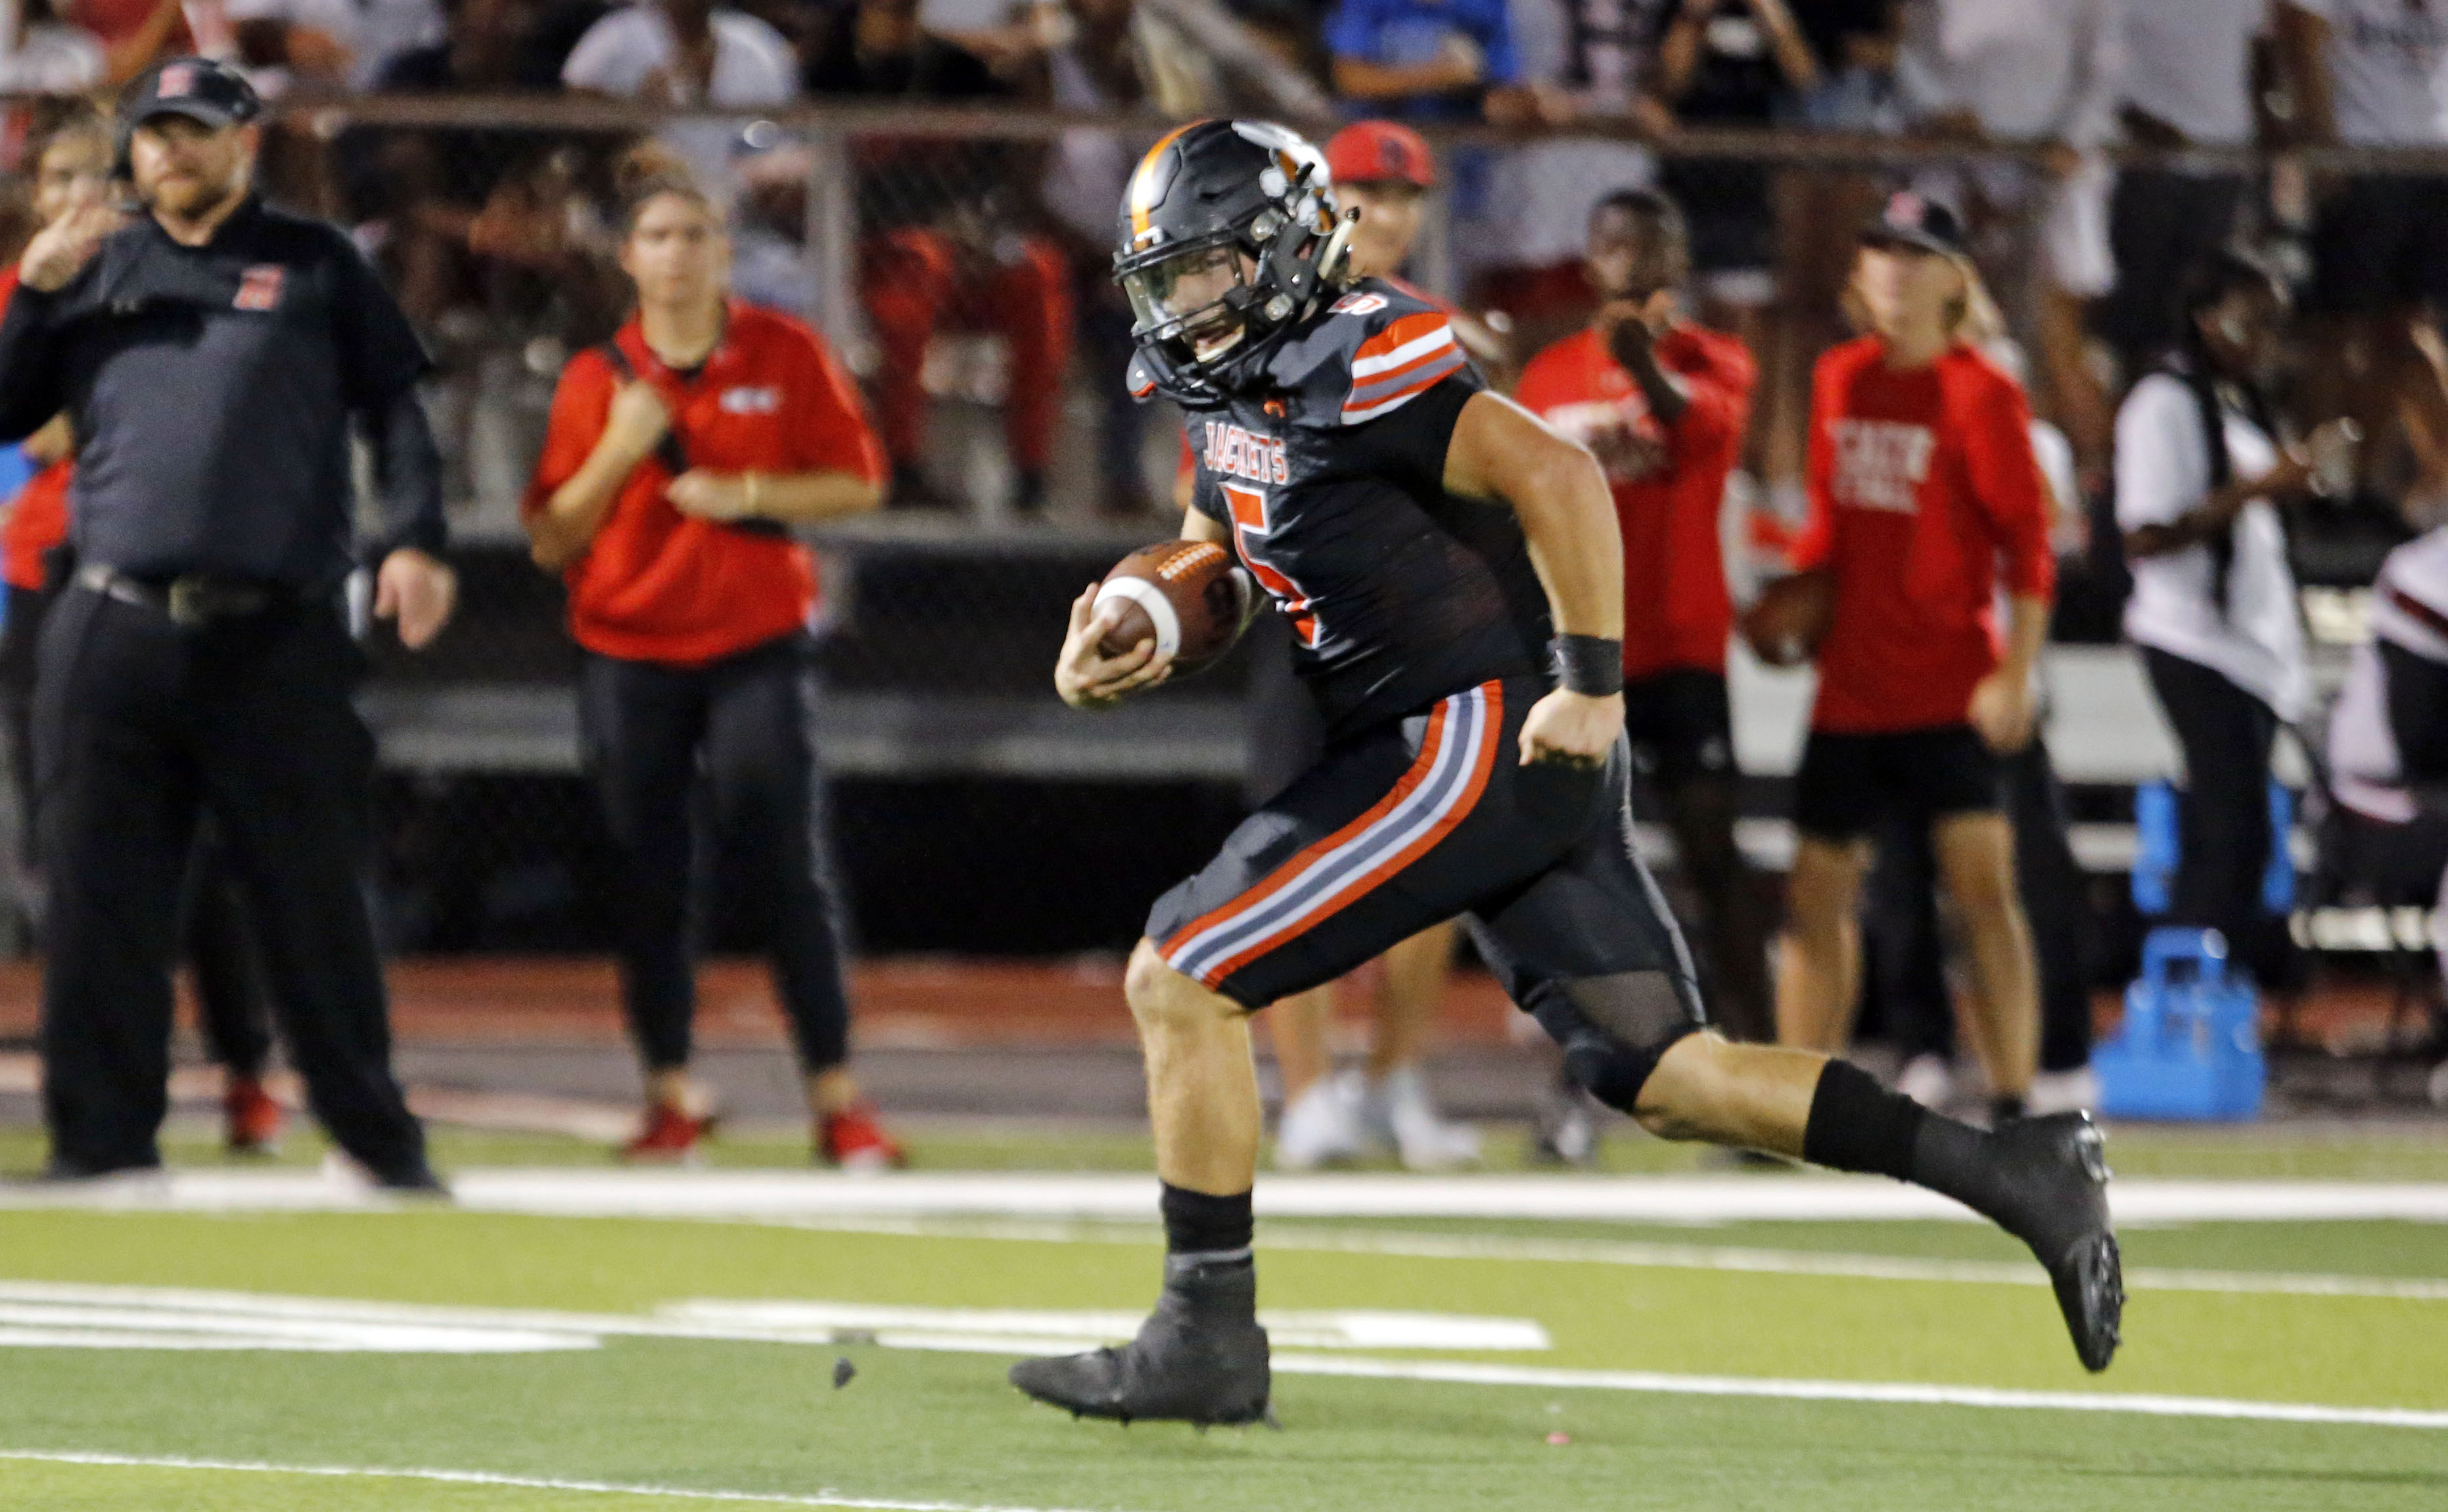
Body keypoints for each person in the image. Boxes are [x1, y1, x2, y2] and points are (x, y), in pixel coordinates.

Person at [1009, 120, 2121, 1429]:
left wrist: (1592, 682)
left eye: (1202, 270)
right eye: (1168, 278)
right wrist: (1138, 626)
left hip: (1469, 729)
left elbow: (1562, 473)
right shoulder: (1232, 374)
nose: (1182, 303)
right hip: (1463, 740)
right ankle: (2022, 1172)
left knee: (1178, 973)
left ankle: (1203, 1330)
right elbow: (1221, 557)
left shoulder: (1360, 349)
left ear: (1275, 250)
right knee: (1674, 1079)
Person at [0, 57, 455, 1187]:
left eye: (196, 133)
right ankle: (103, 1145)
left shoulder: (314, 263)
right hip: (113, 621)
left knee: (313, 901)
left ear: (243, 143)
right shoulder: (92, 264)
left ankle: (373, 1143)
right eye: (155, 134)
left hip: (275, 632)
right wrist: (36, 292)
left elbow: (397, 410)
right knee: (101, 900)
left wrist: (417, 537)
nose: (172, 153)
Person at [523, 172, 903, 1168]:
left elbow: (859, 483)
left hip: (756, 645)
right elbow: (552, 535)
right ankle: (670, 1093)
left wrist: (745, 491)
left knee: (788, 866)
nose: (679, 252)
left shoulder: (786, 351)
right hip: (625, 649)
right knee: (647, 876)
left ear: (724, 251)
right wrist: (620, 447)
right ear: (628, 255)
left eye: (696, 233)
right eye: (657, 234)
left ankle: (835, 1098)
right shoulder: (591, 379)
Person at [0, 103, 287, 1156]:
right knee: (75, 851)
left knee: (207, 851)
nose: (87, 201)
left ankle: (246, 1064)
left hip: (179, 584)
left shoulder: (179, 287)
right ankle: (119, 1080)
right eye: (65, 179)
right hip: (55, 581)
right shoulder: (20, 301)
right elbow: (35, 427)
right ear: (38, 198)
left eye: (103, 180)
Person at [1772, 193, 2052, 1128]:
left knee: (1983, 896)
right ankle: (1804, 1105)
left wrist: (2015, 672)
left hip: (1946, 685)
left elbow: (2029, 546)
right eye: (1880, 251)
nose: (1893, 268)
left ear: (1952, 278)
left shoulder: (1984, 391)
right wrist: (1790, 603)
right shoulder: (1838, 378)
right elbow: (1830, 528)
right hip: (1848, 686)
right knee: (1817, 898)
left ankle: (2014, 1101)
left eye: (1915, 254)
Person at [1260, 118, 1495, 1172]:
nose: (1384, 214)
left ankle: (1395, 1079)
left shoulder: (1445, 337)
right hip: (1307, 631)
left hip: (1416, 634)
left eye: (1401, 198)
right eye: (1361, 194)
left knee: (1430, 868)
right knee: (1294, 860)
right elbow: (1208, 486)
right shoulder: (1263, 325)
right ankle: (1309, 1094)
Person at [1513, 187, 1774, 1055]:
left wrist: (1650, 367)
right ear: (1593, 262)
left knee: (1713, 859)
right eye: (1619, 245)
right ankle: (1582, 1084)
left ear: (1679, 264)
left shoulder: (1716, 359)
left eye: (1654, 246)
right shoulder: (1548, 376)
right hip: (1581, 658)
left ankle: (1756, 1062)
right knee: (1575, 875)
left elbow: (1698, 432)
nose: (1636, 262)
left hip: (1682, 650)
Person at [2117, 250, 2331, 987]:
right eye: (2252, 322)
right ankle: (2187, 997)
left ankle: (2217, 997)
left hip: (2248, 650)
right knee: (2226, 832)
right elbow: (2141, 535)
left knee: (2243, 837)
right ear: (2207, 321)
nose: (2266, 341)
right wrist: (2255, 489)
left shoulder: (2235, 400)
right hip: (2191, 639)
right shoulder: (2162, 402)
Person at [810, 0, 1072, 513]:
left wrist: (977, 231)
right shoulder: (829, 64)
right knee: (920, 260)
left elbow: (994, 166)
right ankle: (900, 466)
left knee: (1036, 271)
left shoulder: (955, 67)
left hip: (954, 251)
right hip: (862, 254)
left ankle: (1031, 476)